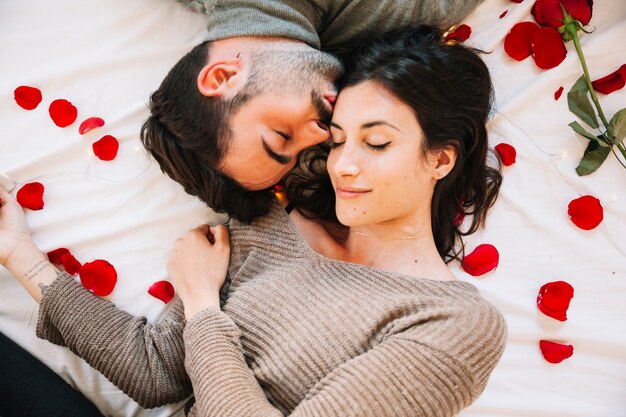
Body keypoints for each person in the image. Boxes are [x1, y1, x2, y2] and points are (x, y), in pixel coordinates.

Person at [0, 26, 505, 416]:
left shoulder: (454, 323)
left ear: (440, 160)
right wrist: (17, 252)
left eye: (377, 143)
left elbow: (200, 330)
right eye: (336, 140)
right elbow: (154, 370)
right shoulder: (268, 226)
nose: (343, 164)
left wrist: (201, 304)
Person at [141, 0, 485, 222]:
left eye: (281, 136)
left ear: (224, 76)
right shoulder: (385, 28)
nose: (322, 134)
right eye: (299, 151)